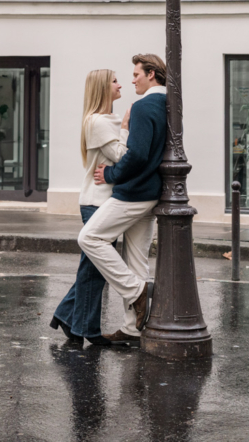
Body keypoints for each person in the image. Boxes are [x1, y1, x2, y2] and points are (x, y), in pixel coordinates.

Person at [76, 53, 168, 344]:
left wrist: (113, 174)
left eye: (136, 74)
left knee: (89, 238)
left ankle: (135, 291)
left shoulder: (143, 105)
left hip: (133, 192)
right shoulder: (170, 104)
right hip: (152, 193)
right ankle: (132, 330)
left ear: (151, 74)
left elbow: (136, 155)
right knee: (137, 260)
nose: (131, 80)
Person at [49, 68, 126, 346]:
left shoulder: (106, 120)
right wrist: (128, 129)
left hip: (103, 202)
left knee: (93, 268)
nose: (121, 84)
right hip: (97, 202)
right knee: (95, 270)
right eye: (115, 80)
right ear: (103, 88)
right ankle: (84, 328)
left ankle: (70, 319)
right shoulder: (96, 122)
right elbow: (121, 156)